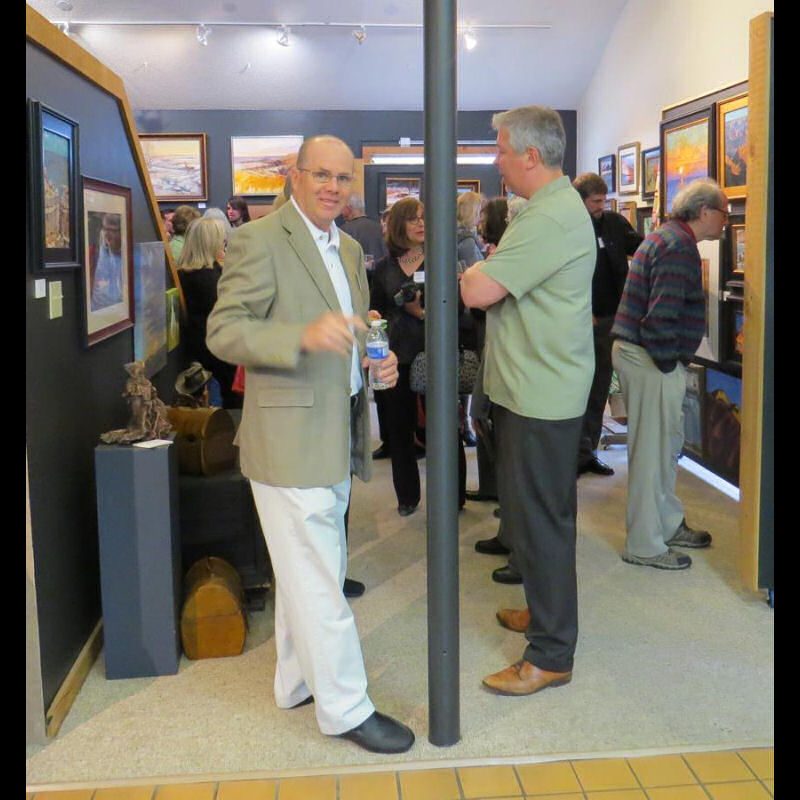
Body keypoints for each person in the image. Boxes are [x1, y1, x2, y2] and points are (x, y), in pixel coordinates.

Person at [206, 135, 414, 755]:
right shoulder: (259, 239)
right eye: (320, 174)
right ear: (294, 176)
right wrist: (301, 335)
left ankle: (295, 682)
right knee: (322, 577)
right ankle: (346, 708)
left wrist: (377, 361)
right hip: (287, 437)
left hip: (338, 430)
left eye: (343, 178)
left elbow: (357, 329)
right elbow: (224, 332)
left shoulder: (347, 248)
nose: (332, 187)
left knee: (310, 566)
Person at [460, 105, 595, 697]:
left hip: (541, 394)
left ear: (531, 156)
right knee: (534, 517)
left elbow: (479, 288)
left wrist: (477, 271)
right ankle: (544, 616)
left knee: (542, 523)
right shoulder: (545, 210)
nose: (497, 161)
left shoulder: (550, 218)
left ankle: (550, 654)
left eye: (501, 150)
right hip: (531, 388)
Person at [612, 177, 725, 570]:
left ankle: (667, 523)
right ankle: (644, 545)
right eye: (723, 213)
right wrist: (669, 363)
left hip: (643, 356)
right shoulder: (678, 246)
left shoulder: (669, 238)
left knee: (661, 450)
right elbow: (660, 317)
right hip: (650, 358)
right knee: (652, 455)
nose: (726, 221)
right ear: (705, 212)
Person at [370, 197, 467, 515]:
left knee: (445, 428)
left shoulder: (441, 259)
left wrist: (421, 313)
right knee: (400, 431)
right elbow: (375, 312)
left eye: (424, 217)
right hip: (396, 358)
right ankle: (407, 497)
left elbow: (458, 308)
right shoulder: (383, 268)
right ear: (399, 225)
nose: (421, 223)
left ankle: (454, 496)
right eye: (413, 218)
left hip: (435, 354)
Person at [573, 172, 643, 477]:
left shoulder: (614, 223)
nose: (600, 207)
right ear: (580, 200)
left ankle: (586, 453)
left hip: (612, 320)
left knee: (600, 387)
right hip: (581, 320)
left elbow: (642, 249)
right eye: (595, 201)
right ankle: (571, 454)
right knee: (579, 389)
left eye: (603, 201)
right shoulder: (570, 227)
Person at [177, 217, 239, 409]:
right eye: (222, 240)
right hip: (215, 350)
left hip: (203, 347)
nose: (224, 244)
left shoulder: (186, 274)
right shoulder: (207, 278)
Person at [340, 192, 388, 264]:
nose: (340, 212)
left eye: (341, 207)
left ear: (348, 208)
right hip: (380, 269)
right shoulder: (381, 228)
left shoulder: (343, 231)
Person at [89, 213, 123, 311]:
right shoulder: (97, 249)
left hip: (119, 312)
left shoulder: (130, 254)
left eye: (112, 230)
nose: (107, 234)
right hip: (97, 310)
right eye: (105, 229)